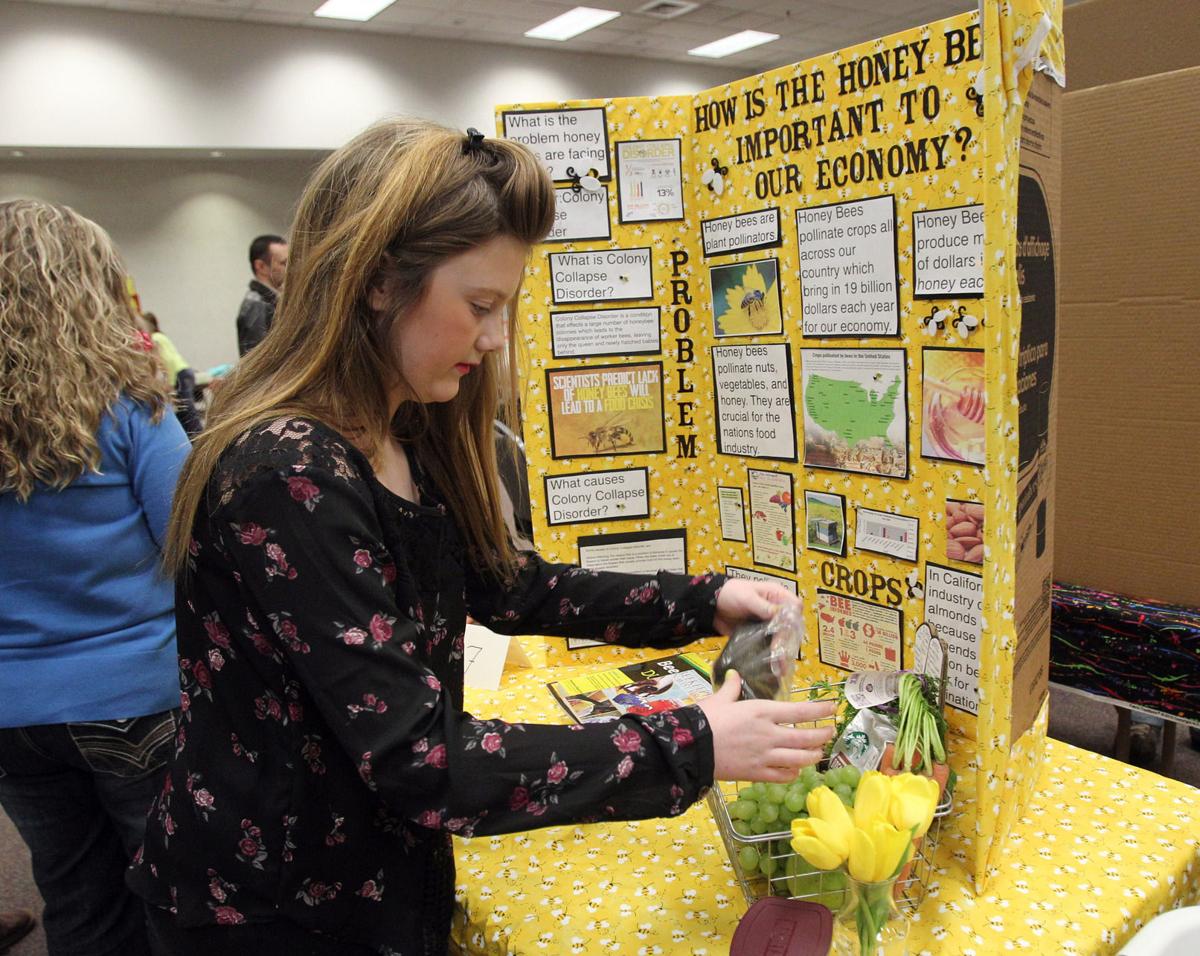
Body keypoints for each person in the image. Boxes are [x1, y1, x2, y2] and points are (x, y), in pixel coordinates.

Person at [127, 119, 833, 955]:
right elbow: (420, 760)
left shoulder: (398, 431)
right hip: (274, 906)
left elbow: (510, 585)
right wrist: (691, 743)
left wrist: (702, 599)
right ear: (381, 281)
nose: (495, 338)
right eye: (480, 306)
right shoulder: (290, 472)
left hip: (373, 872)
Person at [0, 200, 190, 956]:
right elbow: (188, 537)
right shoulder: (129, 405)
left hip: (13, 712)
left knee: (76, 900)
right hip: (133, 699)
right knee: (173, 892)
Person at [140, 310, 203, 437]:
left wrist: (169, 382)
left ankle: (197, 439)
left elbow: (168, 360)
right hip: (185, 372)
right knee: (186, 410)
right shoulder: (161, 336)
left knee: (186, 411)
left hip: (179, 374)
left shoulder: (155, 338)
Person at [236, 233, 288, 356]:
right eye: (284, 263)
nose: (290, 268)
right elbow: (259, 362)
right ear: (261, 266)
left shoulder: (272, 302)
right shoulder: (257, 306)